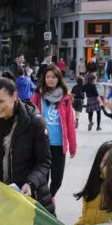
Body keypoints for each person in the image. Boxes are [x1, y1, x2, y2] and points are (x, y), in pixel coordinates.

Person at [0, 76, 52, 210]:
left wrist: (30, 183)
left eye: (1, 101)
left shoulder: (35, 122)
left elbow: (44, 162)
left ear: (14, 96)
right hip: (0, 200)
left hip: (31, 199)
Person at [30, 64, 77, 201]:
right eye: (48, 77)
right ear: (44, 78)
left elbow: (70, 124)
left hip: (58, 145)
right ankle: (45, 202)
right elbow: (30, 117)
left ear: (58, 79)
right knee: (42, 178)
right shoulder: (38, 96)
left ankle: (49, 198)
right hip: (42, 144)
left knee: (57, 179)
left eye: (53, 77)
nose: (50, 80)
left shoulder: (65, 98)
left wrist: (73, 147)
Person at [73, 139, 112, 225]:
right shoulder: (91, 188)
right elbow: (85, 218)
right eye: (106, 162)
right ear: (98, 164)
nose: (110, 167)